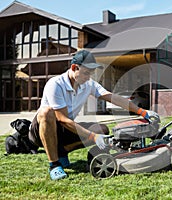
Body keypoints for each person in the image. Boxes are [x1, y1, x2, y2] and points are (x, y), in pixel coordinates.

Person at [28, 50, 159, 180]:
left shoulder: (88, 84)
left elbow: (113, 97)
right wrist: (93, 137)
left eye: (91, 73)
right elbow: (62, 119)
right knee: (46, 113)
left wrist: (142, 111)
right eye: (86, 73)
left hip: (63, 130)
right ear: (74, 67)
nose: (88, 77)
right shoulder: (56, 84)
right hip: (41, 131)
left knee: (101, 129)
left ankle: (61, 151)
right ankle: (54, 165)